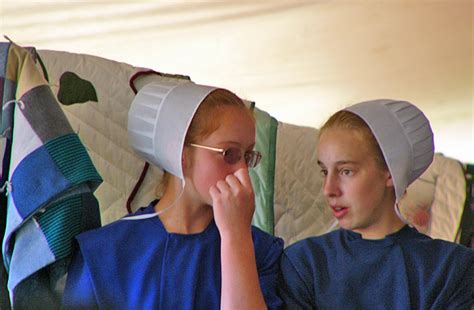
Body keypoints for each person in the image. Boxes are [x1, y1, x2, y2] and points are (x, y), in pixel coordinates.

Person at [62, 80, 283, 309]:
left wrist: (236, 237)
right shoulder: (101, 253)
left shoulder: (261, 251)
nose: (243, 173)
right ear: (179, 155)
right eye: (229, 154)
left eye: (248, 157)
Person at [278, 99, 474, 309]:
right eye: (325, 172)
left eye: (346, 171)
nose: (329, 189)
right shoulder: (304, 262)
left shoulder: (450, 267)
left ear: (390, 171)